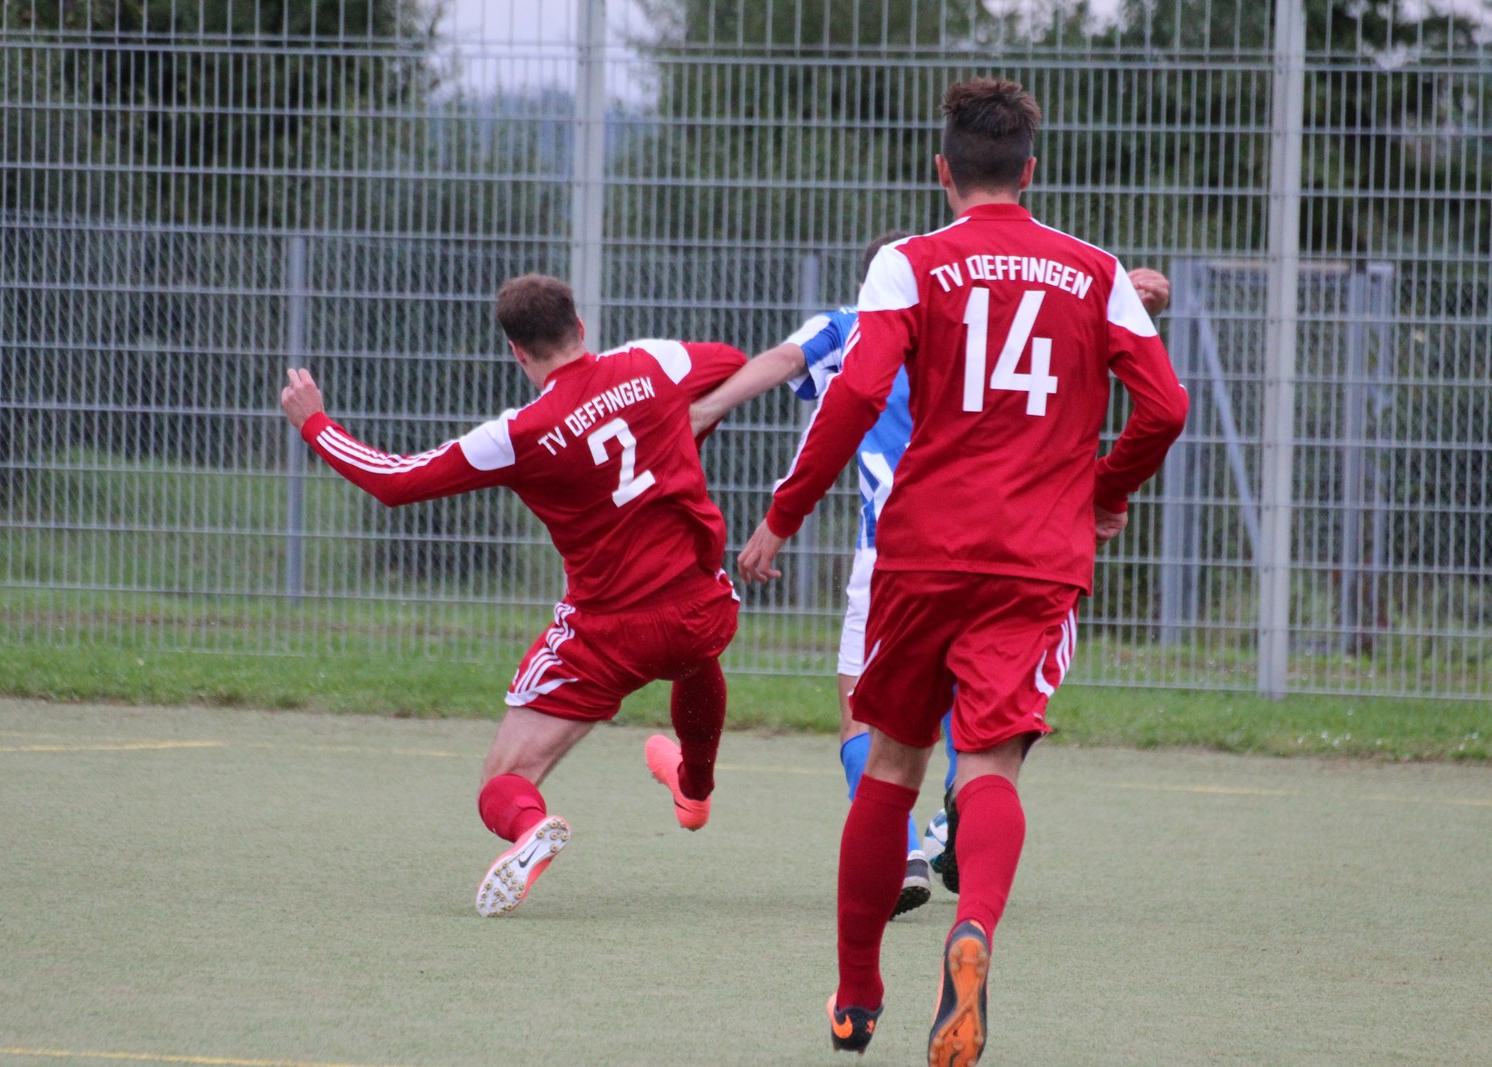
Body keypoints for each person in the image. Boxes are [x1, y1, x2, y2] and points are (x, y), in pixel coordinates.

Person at [734, 78, 1189, 1061]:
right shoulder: (1096, 269)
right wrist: (1105, 490)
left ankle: (856, 996)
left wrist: (782, 512)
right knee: (984, 766)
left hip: (919, 551)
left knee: (890, 766)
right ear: (1031, 169)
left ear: (942, 172)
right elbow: (1164, 407)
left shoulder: (907, 263)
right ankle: (970, 927)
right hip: (1035, 561)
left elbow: (856, 394)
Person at [689, 241, 1173, 918]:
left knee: (865, 711)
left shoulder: (855, 324)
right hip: (1004, 538)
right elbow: (1045, 330)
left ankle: (907, 854)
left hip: (896, 545)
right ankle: (956, 818)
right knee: (981, 706)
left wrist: (709, 408)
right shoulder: (970, 314)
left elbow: (783, 361)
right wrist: (1126, 302)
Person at [280, 273, 747, 918]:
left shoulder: (518, 435)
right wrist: (685, 430)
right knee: (696, 658)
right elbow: (734, 366)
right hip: (701, 605)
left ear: (516, 352)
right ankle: (695, 793)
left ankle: (531, 830)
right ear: (580, 328)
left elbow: (396, 481)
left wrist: (316, 426)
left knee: (501, 783)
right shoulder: (654, 363)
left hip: (609, 634)